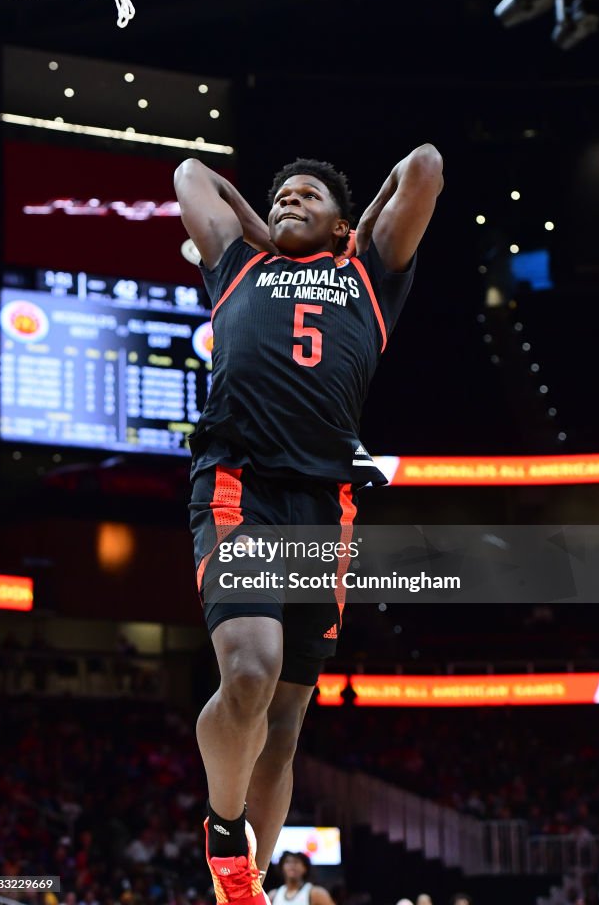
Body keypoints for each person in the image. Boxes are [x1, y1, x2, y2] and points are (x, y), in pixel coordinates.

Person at [174, 147, 443, 905]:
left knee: (287, 718)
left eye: (307, 196)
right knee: (251, 672)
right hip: (241, 486)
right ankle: (225, 831)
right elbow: (192, 174)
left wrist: (350, 239)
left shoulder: (369, 274)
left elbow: (424, 165)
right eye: (281, 193)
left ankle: (245, 885)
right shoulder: (235, 264)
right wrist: (267, 229)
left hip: (326, 509)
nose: (290, 199)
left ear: (342, 221)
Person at [269, 851, 334, 905]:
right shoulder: (273, 895)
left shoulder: (316, 893)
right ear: (282, 868)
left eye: (296, 862)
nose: (292, 865)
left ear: (305, 868)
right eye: (287, 862)